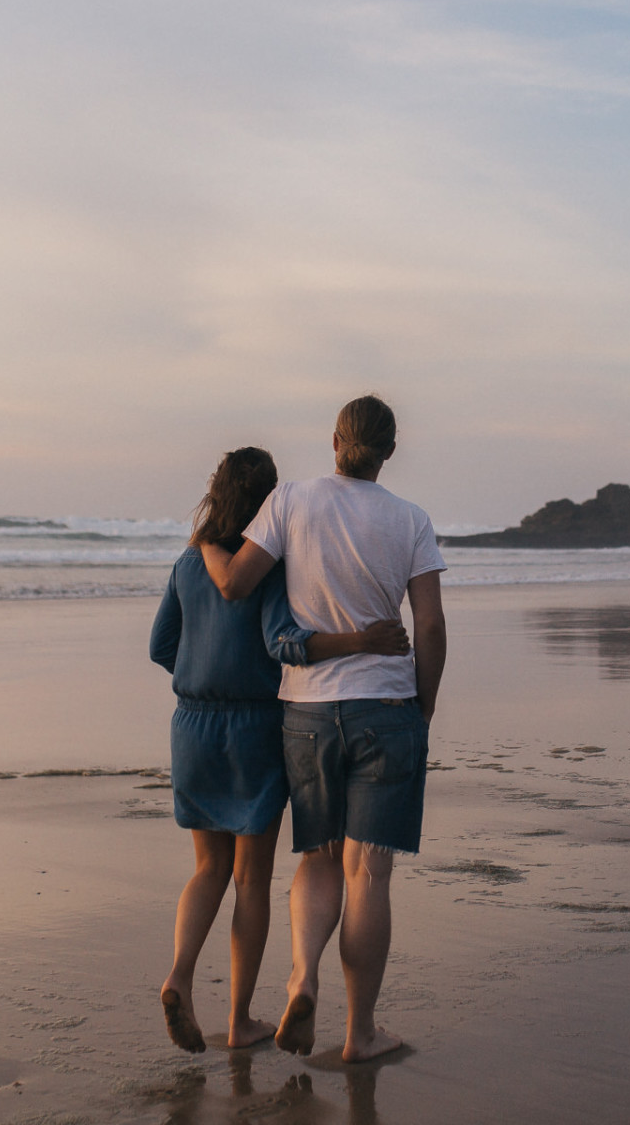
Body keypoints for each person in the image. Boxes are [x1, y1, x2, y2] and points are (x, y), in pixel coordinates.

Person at [201, 395, 447, 1064]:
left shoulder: (290, 501)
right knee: (369, 875)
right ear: (389, 451)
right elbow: (427, 624)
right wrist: (421, 706)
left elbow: (238, 583)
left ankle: (302, 977)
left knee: (317, 858)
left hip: (306, 712)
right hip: (386, 710)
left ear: (335, 441)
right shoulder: (412, 521)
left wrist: (207, 544)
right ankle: (359, 1032)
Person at [149, 446, 410, 1053]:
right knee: (251, 881)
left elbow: (162, 645)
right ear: (269, 501)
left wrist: (199, 674)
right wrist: (360, 642)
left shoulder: (190, 562)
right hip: (254, 728)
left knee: (206, 869)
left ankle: (179, 976)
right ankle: (240, 1021)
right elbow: (284, 642)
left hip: (191, 725)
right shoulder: (270, 566)